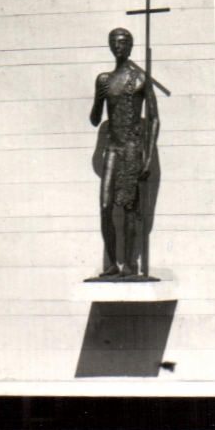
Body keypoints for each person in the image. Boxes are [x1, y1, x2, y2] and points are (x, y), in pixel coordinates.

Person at [89, 27, 160, 279]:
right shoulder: (104, 79)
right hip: (112, 148)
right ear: (110, 46)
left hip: (131, 147)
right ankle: (111, 265)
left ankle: (130, 265)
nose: (119, 47)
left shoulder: (139, 79)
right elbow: (95, 119)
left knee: (129, 207)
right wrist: (98, 98)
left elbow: (153, 120)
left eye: (123, 43)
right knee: (106, 205)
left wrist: (148, 156)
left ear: (130, 46)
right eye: (114, 43)